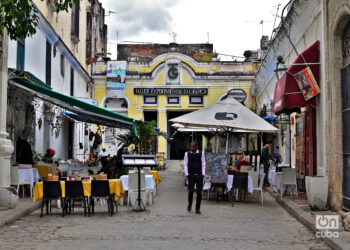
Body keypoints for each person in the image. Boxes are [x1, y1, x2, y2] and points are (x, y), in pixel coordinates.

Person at [183, 141, 206, 214]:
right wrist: (187, 174)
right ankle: (190, 204)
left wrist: (203, 174)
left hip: (199, 175)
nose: (191, 148)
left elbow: (203, 163)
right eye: (190, 146)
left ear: (196, 147)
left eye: (192, 147)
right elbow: (185, 164)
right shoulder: (187, 154)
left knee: (199, 193)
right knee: (191, 191)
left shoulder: (201, 153)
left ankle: (197, 208)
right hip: (191, 175)